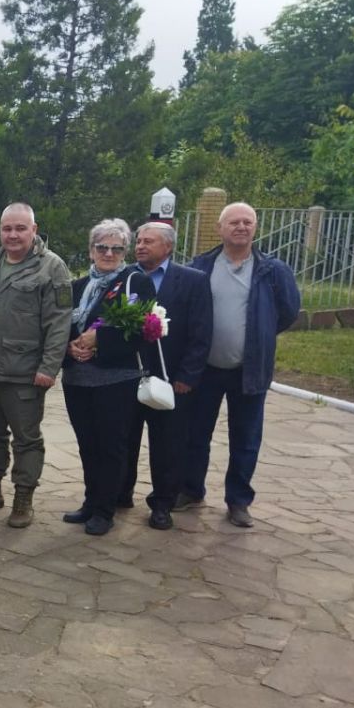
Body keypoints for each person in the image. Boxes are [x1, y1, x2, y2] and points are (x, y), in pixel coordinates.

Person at [182, 202, 300, 528]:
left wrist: (258, 334)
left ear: (255, 228)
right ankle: (191, 489)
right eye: (234, 222)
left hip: (250, 371)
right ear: (220, 229)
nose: (241, 227)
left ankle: (238, 501)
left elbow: (288, 311)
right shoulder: (201, 266)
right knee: (195, 434)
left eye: (248, 222)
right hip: (205, 369)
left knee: (245, 439)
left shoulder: (273, 271)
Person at [0, 202, 71, 528]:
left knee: (26, 439)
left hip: (25, 372)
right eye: (7, 228)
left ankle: (23, 497)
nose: (13, 234)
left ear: (34, 230)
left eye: (20, 228)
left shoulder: (52, 268)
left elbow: (59, 322)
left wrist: (49, 367)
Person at [61, 219, 155, 536]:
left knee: (111, 445)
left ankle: (105, 509)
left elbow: (142, 332)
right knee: (87, 444)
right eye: (102, 247)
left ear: (125, 251)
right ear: (91, 251)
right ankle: (90, 501)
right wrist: (71, 348)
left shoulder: (136, 283)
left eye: (116, 248)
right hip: (77, 378)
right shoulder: (77, 287)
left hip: (116, 378)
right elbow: (61, 326)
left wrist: (98, 343)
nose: (109, 253)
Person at [118, 221, 213, 530]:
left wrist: (188, 375)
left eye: (149, 241)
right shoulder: (125, 277)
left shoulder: (193, 281)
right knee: (124, 440)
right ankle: (120, 494)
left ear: (168, 247)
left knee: (168, 445)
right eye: (139, 241)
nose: (140, 246)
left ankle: (162, 504)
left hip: (172, 380)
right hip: (127, 376)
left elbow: (201, 333)